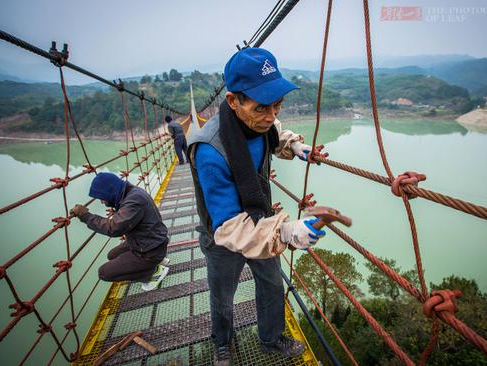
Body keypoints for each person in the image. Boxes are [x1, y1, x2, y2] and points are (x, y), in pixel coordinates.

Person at [187, 47, 327, 365]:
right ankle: (222, 343)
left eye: (277, 105)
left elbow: (273, 134)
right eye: (262, 106)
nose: (271, 115)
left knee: (272, 285)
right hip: (223, 235)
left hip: (261, 220)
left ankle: (271, 338)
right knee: (223, 296)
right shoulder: (210, 150)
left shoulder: (260, 124)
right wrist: (287, 232)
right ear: (233, 101)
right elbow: (228, 227)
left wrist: (295, 146)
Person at [70, 172, 170, 292]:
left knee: (104, 273)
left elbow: (113, 228)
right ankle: (155, 262)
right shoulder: (131, 192)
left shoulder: (134, 200)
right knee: (112, 255)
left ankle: (153, 271)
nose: (102, 202)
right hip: (150, 241)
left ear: (110, 191)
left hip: (150, 250)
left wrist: (85, 215)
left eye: (103, 197)